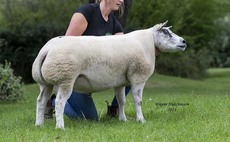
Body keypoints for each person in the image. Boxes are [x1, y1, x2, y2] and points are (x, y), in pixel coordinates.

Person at [44, 0, 131, 121]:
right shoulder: (86, 13)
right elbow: (65, 48)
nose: (121, 0)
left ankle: (114, 110)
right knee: (90, 119)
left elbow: (125, 53)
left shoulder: (115, 24)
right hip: (75, 78)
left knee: (131, 73)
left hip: (94, 78)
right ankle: (52, 102)